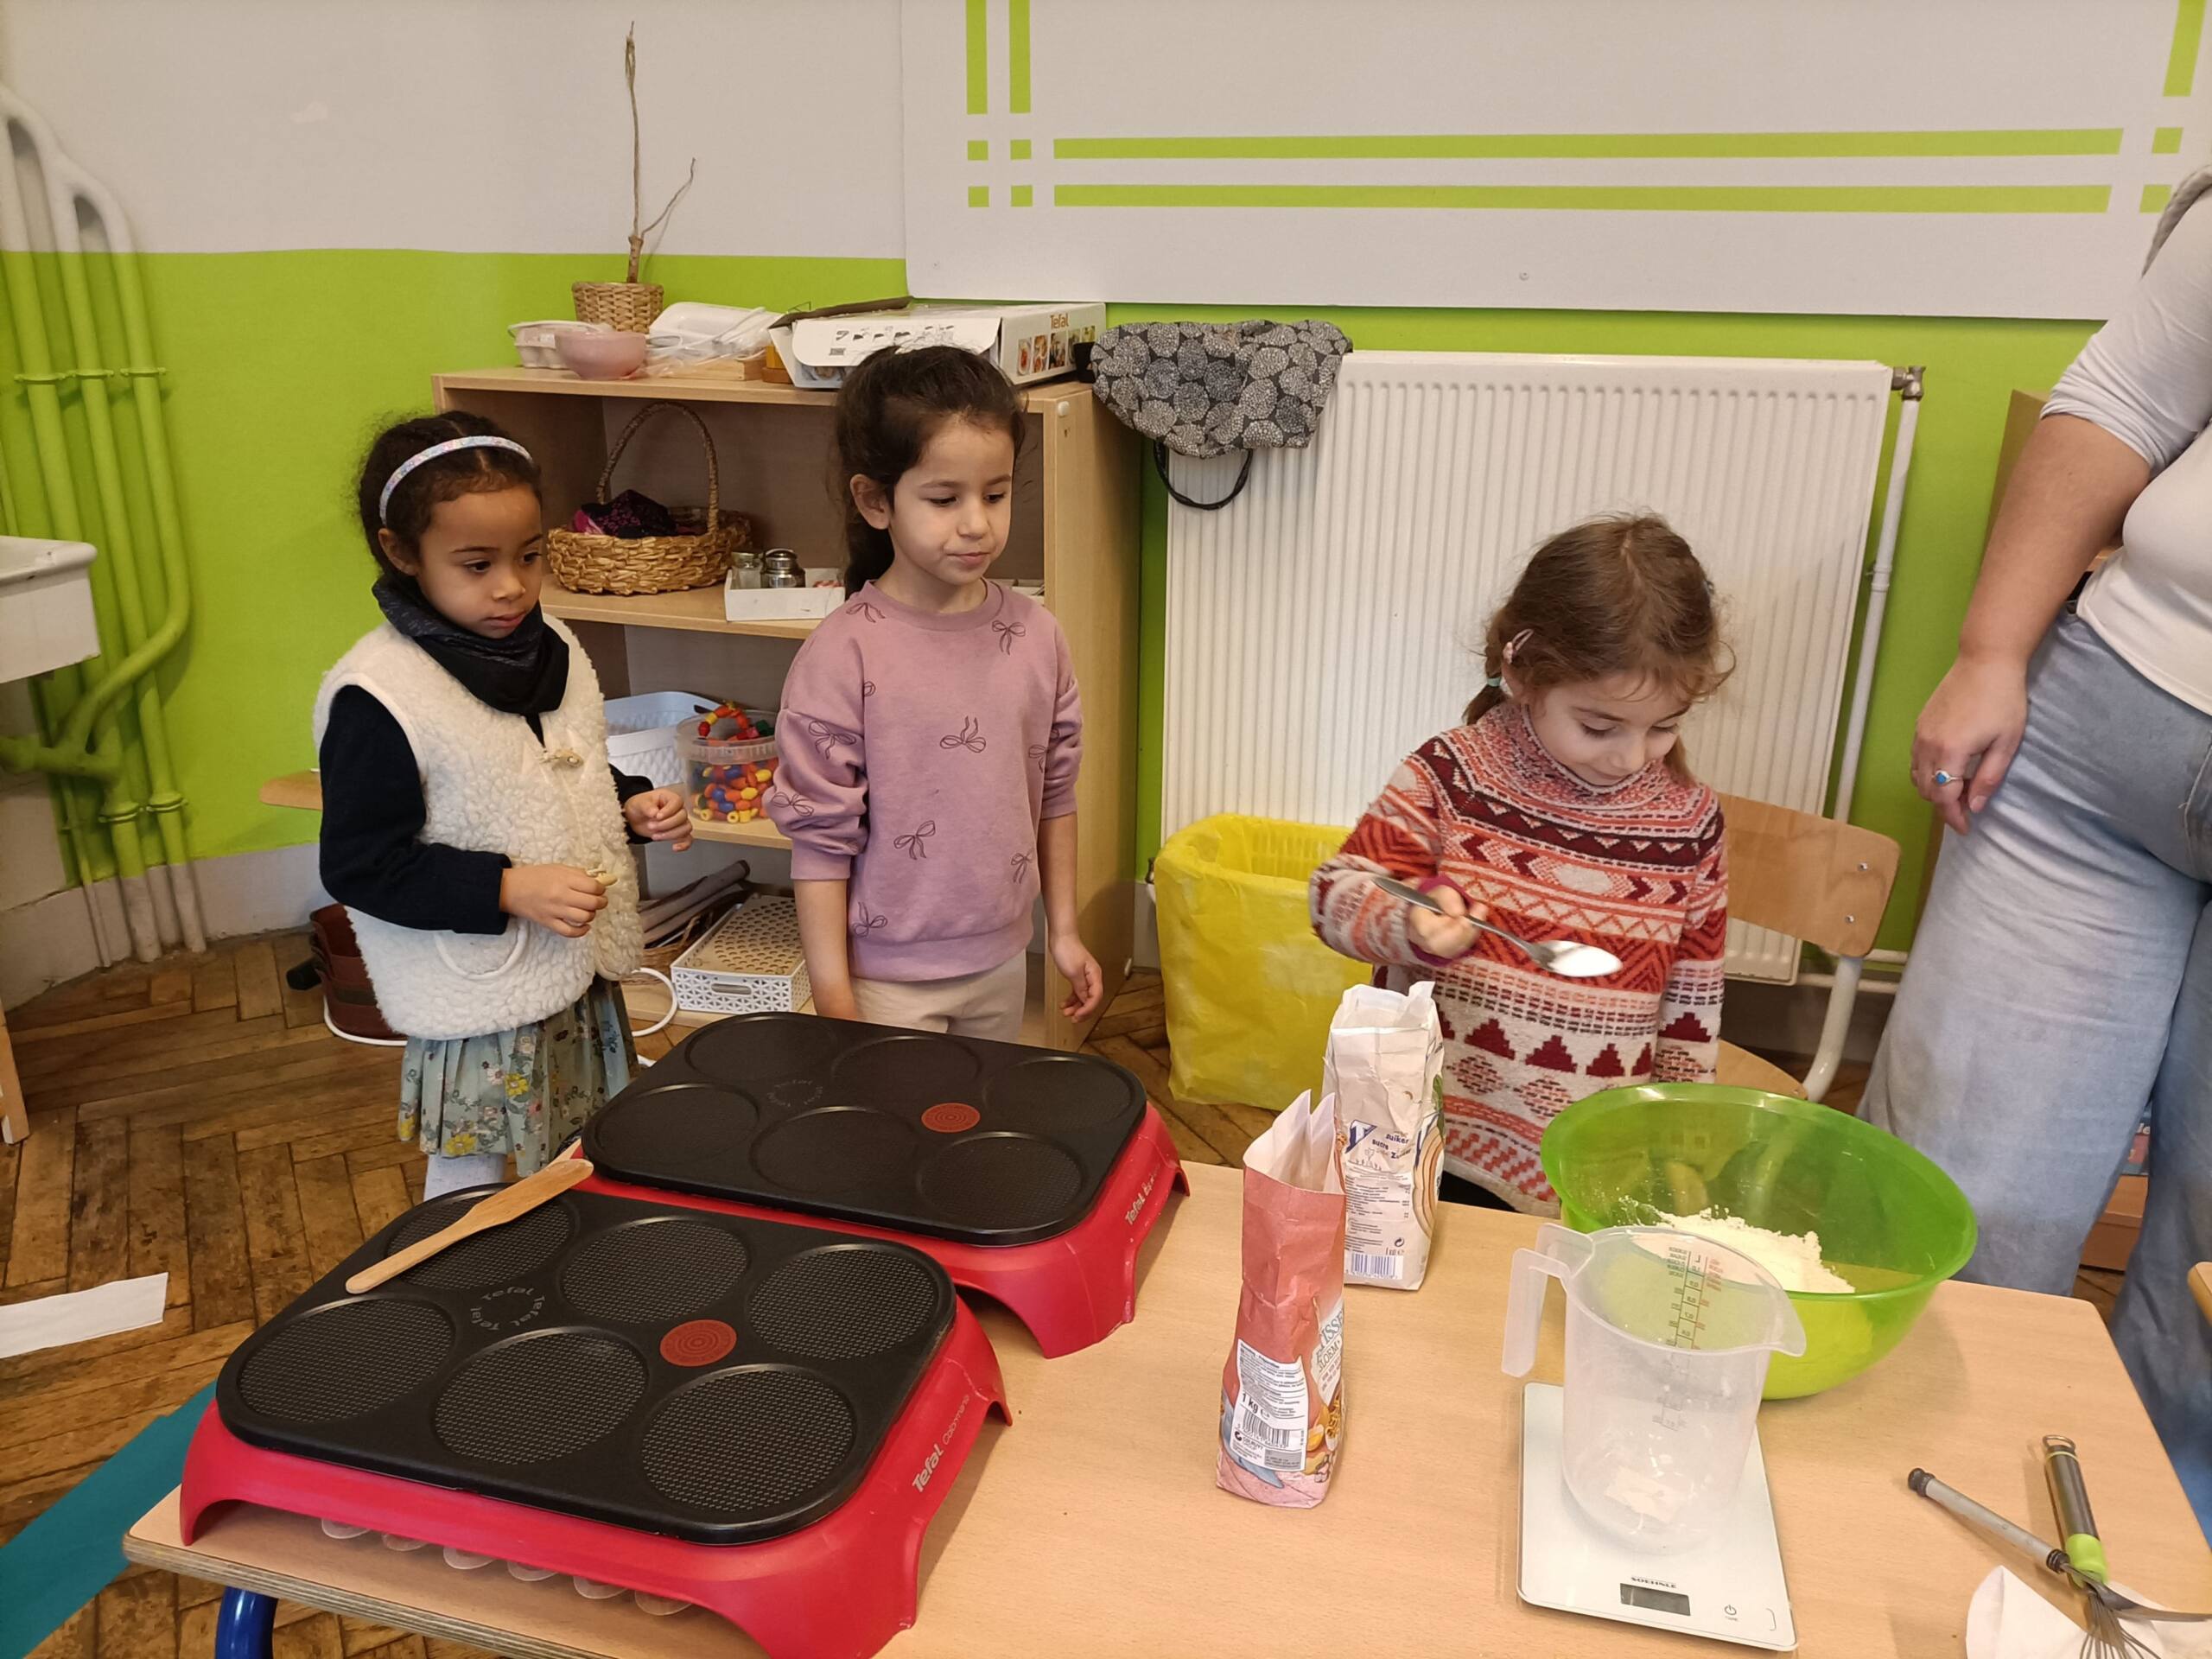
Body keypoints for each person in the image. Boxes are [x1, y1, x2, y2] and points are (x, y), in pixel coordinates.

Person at [1866, 187, 2212, 1538]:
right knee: (1958, 1195)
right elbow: (2125, 394)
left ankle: (2155, 1576)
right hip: (2098, 737)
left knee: (2205, 1277)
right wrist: (1991, 647)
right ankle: (1889, 1530)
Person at [316, 413, 692, 1198]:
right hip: (479, 995)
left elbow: (560, 767)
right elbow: (360, 865)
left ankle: (580, 1252)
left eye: (529, 555)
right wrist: (506, 887)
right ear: (402, 552)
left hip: (575, 970)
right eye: (477, 564)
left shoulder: (554, 645)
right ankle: (459, 1265)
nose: (512, 586)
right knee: (474, 1173)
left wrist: (630, 804)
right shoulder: (378, 696)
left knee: (588, 1142)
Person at [1311, 514, 1731, 1213]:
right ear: (1520, 674)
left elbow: (1693, 1003)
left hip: (1594, 1161)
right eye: (1599, 726)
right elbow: (1333, 896)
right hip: (1431, 1142)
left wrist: (1682, 1148)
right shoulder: (1453, 776)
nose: (1631, 757)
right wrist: (1408, 922)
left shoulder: (1690, 823)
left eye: (1664, 726)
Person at [767, 346, 1102, 1039]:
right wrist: (835, 1000)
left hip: (1003, 961)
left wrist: (1064, 932)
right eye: (945, 499)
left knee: (981, 1106)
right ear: (875, 500)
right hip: (885, 984)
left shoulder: (1037, 635)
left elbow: (1056, 793)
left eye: (996, 495)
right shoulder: (842, 654)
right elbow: (820, 843)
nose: (977, 522)